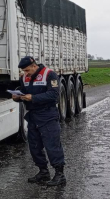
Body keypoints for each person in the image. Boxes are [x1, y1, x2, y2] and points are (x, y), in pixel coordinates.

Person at [12, 56, 66, 186]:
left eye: (27, 70)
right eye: (23, 71)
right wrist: (17, 96)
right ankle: (43, 171)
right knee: (34, 146)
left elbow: (54, 94)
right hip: (33, 116)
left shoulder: (49, 74)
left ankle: (60, 174)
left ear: (34, 66)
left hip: (48, 114)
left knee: (52, 145)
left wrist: (33, 98)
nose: (25, 73)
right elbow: (24, 92)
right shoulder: (25, 78)